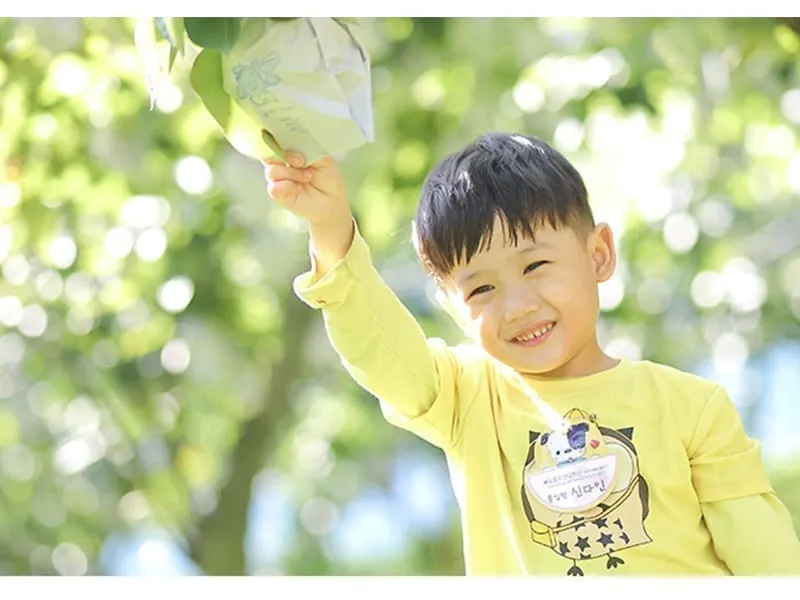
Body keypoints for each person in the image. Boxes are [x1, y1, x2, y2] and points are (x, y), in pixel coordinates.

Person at [263, 132, 800, 576]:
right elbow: (378, 346)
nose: (517, 306)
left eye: (535, 266)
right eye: (481, 289)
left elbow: (769, 564)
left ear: (599, 254)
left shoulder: (691, 406)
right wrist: (330, 230)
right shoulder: (465, 398)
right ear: (453, 309)